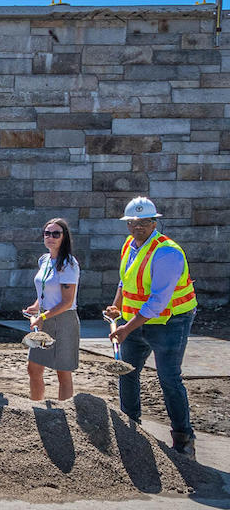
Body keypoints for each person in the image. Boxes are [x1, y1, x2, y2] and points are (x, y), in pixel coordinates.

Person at [106, 196, 198, 457]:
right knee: (127, 371)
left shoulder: (167, 252)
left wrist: (126, 328)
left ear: (154, 222)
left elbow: (158, 301)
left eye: (145, 222)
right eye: (133, 223)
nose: (138, 227)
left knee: (169, 377)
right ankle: (130, 426)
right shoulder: (129, 245)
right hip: (136, 320)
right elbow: (125, 281)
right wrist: (116, 307)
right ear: (127, 224)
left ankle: (183, 438)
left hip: (171, 322)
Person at [23, 218, 80, 401]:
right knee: (33, 367)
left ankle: (66, 413)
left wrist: (42, 317)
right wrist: (36, 306)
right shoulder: (44, 260)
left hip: (64, 321)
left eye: (56, 234)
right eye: (47, 233)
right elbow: (45, 290)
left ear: (64, 237)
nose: (51, 237)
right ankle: (36, 407)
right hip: (44, 318)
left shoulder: (69, 264)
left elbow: (66, 301)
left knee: (63, 372)